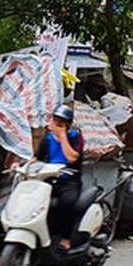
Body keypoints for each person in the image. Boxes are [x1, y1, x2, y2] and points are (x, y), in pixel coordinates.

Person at [36, 104, 85, 251]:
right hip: (50, 179)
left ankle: (66, 238)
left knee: (67, 203)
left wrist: (62, 136)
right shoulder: (47, 139)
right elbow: (37, 158)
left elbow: (72, 158)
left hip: (69, 180)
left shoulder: (76, 138)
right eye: (55, 121)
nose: (56, 125)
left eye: (61, 123)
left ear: (67, 125)